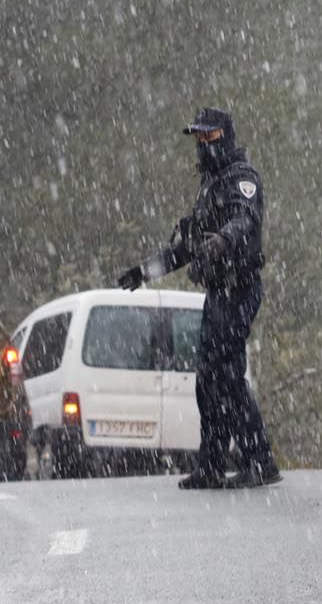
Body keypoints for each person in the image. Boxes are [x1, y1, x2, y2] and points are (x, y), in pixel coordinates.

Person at [116, 107, 280, 490]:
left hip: (238, 287)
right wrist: (144, 272)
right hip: (218, 292)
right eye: (198, 139)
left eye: (209, 138)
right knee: (208, 380)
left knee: (227, 376)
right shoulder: (209, 186)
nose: (203, 146)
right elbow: (186, 248)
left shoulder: (241, 178)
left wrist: (223, 240)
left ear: (225, 137)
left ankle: (260, 459)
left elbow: (245, 220)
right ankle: (212, 463)